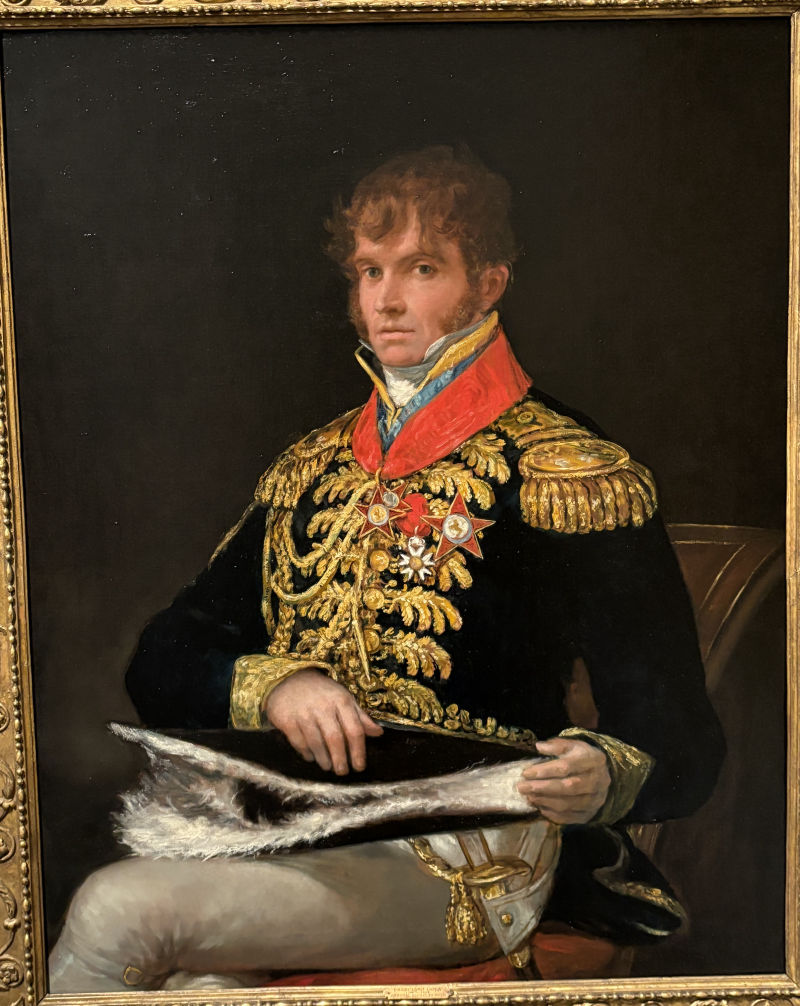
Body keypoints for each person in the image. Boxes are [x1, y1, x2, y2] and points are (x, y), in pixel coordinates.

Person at [48, 145, 724, 992]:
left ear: (489, 284)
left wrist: (600, 775)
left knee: (117, 911)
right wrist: (279, 686)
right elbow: (164, 656)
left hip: (473, 856)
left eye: (422, 269)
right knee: (191, 986)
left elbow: (680, 736)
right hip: (296, 827)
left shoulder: (568, 473)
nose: (386, 300)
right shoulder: (312, 467)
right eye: (370, 271)